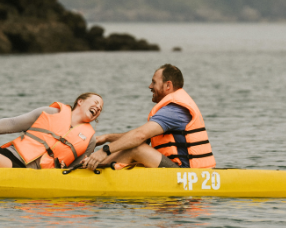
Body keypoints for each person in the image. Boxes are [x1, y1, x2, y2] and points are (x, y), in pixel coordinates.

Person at [83, 64, 215, 170]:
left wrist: (103, 152)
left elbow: (139, 136)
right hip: (183, 170)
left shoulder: (174, 109)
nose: (150, 86)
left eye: (154, 82)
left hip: (185, 173)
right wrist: (107, 138)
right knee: (134, 145)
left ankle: (91, 171)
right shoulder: (172, 107)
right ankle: (92, 165)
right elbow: (140, 137)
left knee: (136, 148)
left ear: (168, 85)